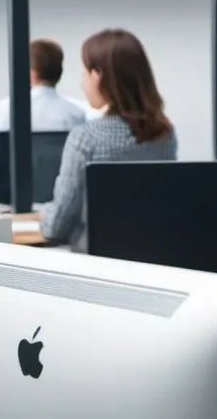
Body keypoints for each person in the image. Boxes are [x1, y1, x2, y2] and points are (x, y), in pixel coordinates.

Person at [40, 29, 177, 252]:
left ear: (99, 74)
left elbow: (56, 227)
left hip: (96, 270)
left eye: (84, 73)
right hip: (151, 265)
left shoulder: (86, 137)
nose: (82, 83)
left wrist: (44, 212)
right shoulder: (165, 133)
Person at [0, 38, 86, 167]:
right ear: (59, 72)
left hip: (12, 186)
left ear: (31, 74)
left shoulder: (0, 112)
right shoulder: (77, 114)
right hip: (61, 185)